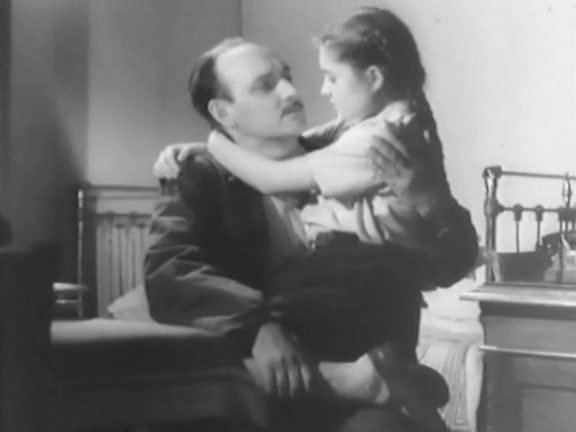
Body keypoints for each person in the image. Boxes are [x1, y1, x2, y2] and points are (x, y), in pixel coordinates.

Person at [147, 9, 476, 432]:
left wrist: (429, 200)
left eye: (286, 76)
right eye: (266, 85)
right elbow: (168, 270)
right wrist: (257, 327)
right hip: (264, 387)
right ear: (224, 113)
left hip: (370, 370)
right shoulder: (199, 178)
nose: (291, 90)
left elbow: (454, 263)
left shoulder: (350, 153)